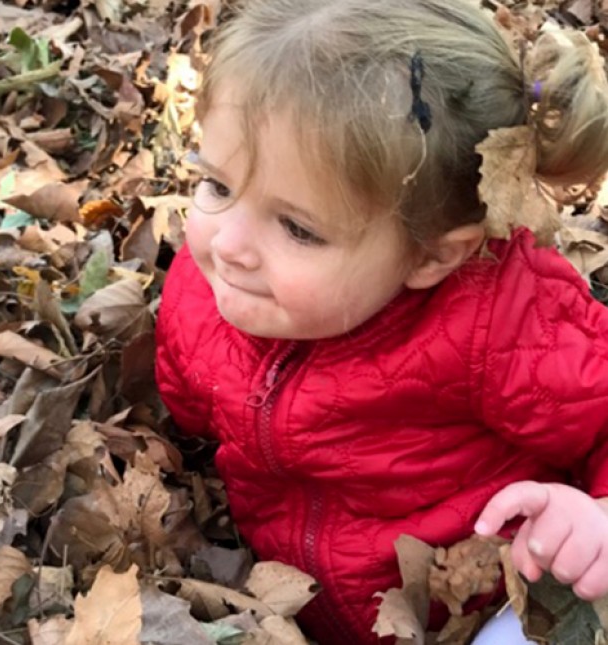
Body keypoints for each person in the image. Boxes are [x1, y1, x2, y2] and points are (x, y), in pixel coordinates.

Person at [153, 1, 608, 644]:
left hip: (485, 600)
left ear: (431, 255)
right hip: (293, 599)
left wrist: (597, 518)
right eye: (218, 188)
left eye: (297, 227)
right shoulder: (207, 293)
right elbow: (188, 394)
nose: (228, 244)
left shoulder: (502, 321)